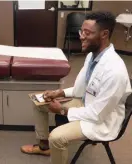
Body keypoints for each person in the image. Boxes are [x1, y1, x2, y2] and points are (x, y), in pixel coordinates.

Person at [21, 11, 132, 164]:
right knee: (39, 103)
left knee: (57, 137)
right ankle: (43, 146)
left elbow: (97, 115)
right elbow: (80, 90)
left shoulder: (114, 71)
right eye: (81, 31)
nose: (81, 36)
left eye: (87, 33)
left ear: (104, 34)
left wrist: (62, 110)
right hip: (88, 105)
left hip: (102, 121)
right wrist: (58, 92)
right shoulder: (92, 56)